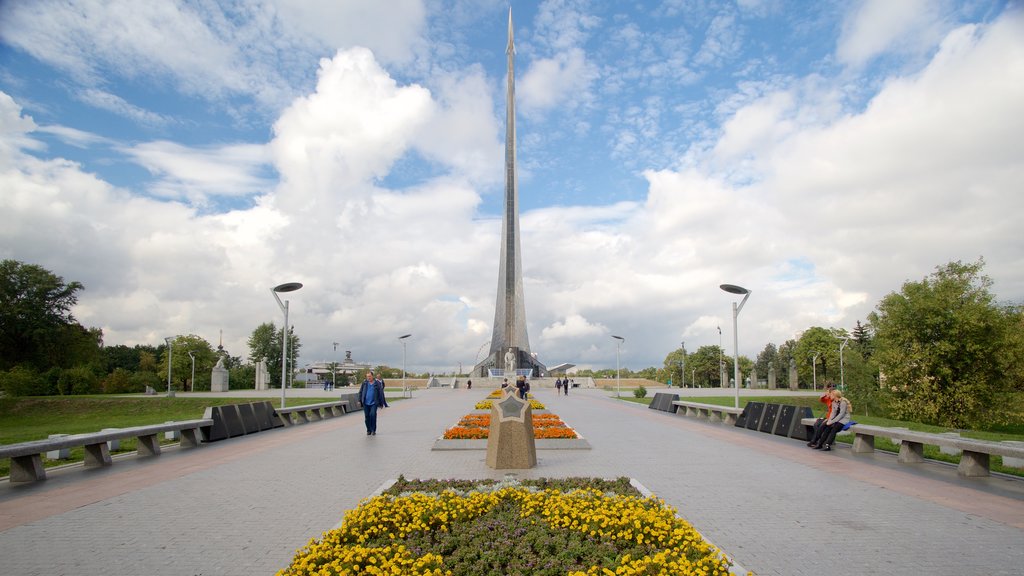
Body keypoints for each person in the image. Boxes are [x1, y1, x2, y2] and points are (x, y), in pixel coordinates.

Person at [358, 371, 388, 436]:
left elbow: (380, 394)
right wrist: (359, 400)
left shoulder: (377, 383)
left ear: (372, 376)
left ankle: (373, 430)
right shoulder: (364, 383)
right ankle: (368, 430)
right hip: (365, 403)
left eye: (369, 376)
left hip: (374, 403)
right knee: (367, 417)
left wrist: (381, 403)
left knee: (373, 415)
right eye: (367, 376)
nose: (368, 378)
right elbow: (360, 392)